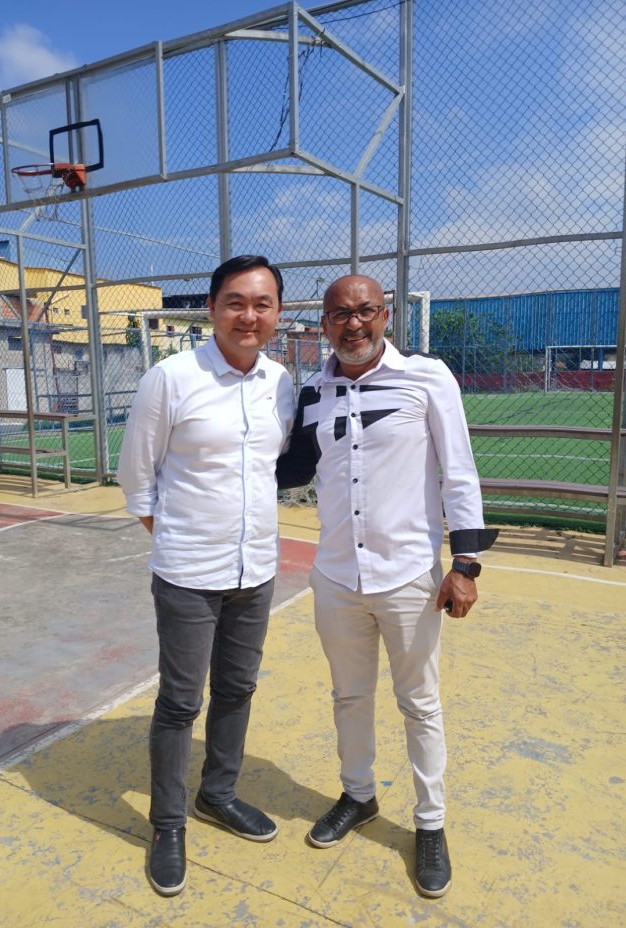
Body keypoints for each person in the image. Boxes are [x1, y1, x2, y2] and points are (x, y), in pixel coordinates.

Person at [277, 274, 497, 898]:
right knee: (348, 696)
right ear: (323, 324)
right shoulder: (313, 392)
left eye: (365, 311)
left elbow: (459, 471)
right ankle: (359, 795)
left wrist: (465, 565)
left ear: (386, 315)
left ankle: (430, 823)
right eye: (340, 314)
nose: (354, 324)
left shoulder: (427, 377)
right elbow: (286, 470)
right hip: (335, 576)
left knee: (419, 703)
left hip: (408, 576)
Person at [117, 255, 294, 896]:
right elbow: (137, 479)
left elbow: (275, 464)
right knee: (180, 701)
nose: (249, 316)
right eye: (235, 302)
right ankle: (168, 825)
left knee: (238, 688)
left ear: (277, 312)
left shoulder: (281, 381)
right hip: (189, 573)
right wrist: (180, 539)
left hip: (257, 568)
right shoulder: (171, 378)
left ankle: (217, 794)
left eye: (262, 303)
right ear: (213, 308)